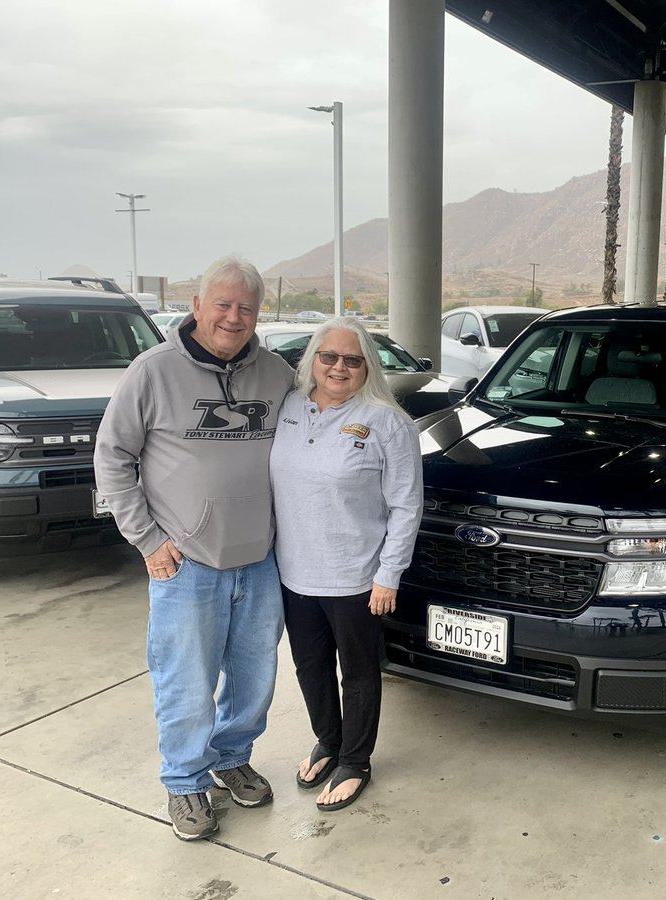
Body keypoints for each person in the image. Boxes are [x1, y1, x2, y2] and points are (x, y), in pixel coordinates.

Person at [94, 255, 295, 841]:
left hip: (259, 560)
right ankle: (185, 783)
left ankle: (231, 756)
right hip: (186, 562)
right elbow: (112, 459)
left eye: (247, 308)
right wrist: (147, 540)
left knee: (255, 675)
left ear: (260, 314)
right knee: (185, 680)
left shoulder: (276, 373)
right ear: (198, 306)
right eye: (224, 305)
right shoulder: (152, 372)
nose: (234, 317)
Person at [271, 316, 422, 812]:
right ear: (312, 359)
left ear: (367, 367)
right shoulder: (291, 408)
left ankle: (355, 760)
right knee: (309, 666)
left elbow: (405, 504)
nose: (338, 367)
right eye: (328, 356)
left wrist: (388, 575)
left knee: (357, 673)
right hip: (294, 573)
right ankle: (328, 741)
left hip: (357, 578)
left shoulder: (387, 422)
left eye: (351, 360)